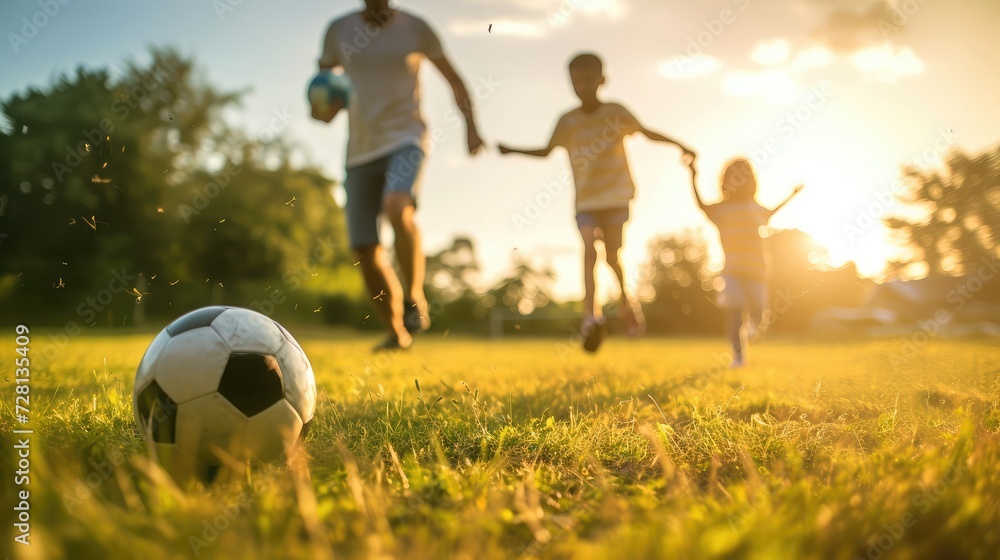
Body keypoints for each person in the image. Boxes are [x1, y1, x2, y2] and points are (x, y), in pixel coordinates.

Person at [314, 0, 483, 351]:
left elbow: (454, 79)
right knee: (364, 248)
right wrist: (324, 108)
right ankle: (396, 333)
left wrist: (472, 127)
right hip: (360, 150)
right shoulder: (338, 30)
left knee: (396, 205)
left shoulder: (415, 28)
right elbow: (325, 84)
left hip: (406, 139)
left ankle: (414, 295)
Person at [498, 52, 695, 352]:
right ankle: (590, 316)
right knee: (589, 247)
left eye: (588, 79)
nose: (582, 85)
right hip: (586, 202)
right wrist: (512, 150)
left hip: (617, 197)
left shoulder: (615, 112)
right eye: (576, 81)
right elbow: (546, 151)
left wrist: (680, 144)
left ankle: (627, 302)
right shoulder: (567, 121)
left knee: (612, 258)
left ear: (602, 80)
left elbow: (645, 132)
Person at [687, 158, 802, 367]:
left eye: (743, 176)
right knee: (735, 315)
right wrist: (692, 175)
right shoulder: (720, 210)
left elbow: (773, 211)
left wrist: (792, 195)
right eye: (734, 176)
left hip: (757, 270)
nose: (738, 181)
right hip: (732, 271)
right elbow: (701, 205)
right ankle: (738, 358)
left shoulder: (754, 208)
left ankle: (756, 323)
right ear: (726, 181)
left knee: (758, 312)